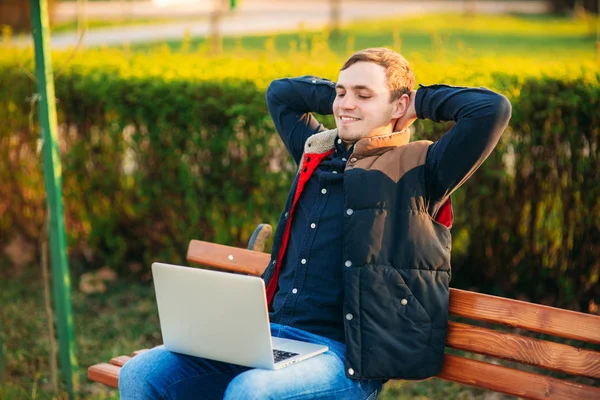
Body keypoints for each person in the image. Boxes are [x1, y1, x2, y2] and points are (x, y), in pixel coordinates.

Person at [119, 47, 511, 400]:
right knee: (142, 373)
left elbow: (490, 110)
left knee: (251, 391)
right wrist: (344, 101)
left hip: (346, 359)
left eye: (363, 94)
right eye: (342, 92)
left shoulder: (422, 169)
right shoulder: (317, 152)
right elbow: (281, 94)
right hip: (271, 340)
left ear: (399, 106)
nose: (346, 104)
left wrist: (417, 100)